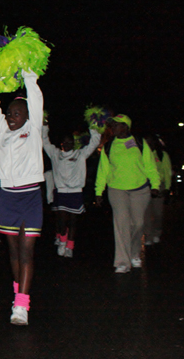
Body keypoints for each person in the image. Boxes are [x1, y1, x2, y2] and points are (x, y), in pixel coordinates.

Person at [0, 70, 44, 326]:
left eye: (17, 113)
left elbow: (35, 97)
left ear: (28, 116)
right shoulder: (2, 131)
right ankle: (18, 292)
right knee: (14, 251)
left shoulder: (33, 128)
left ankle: (21, 305)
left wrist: (28, 72)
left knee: (27, 251)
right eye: (9, 113)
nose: (11, 116)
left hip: (30, 196)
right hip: (8, 197)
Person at [94, 115, 160, 273]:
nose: (113, 128)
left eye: (116, 125)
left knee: (138, 224)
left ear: (125, 126)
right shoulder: (109, 146)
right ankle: (122, 261)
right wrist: (98, 191)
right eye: (112, 125)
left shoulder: (139, 143)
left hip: (140, 190)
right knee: (121, 224)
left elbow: (150, 166)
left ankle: (134, 253)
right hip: (117, 189)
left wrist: (155, 184)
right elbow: (103, 170)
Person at [42, 124, 101, 258]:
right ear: (61, 144)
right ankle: (63, 241)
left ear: (74, 143)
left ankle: (70, 246)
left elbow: (94, 142)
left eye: (70, 142)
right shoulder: (55, 154)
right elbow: (45, 142)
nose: (67, 144)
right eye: (65, 142)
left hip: (76, 192)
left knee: (73, 221)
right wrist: (45, 127)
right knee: (62, 220)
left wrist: (93, 127)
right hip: (61, 192)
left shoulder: (80, 154)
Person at [143, 134, 172, 246]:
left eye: (150, 142)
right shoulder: (141, 155)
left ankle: (157, 232)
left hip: (159, 186)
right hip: (145, 186)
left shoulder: (161, 155)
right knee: (146, 213)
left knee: (158, 212)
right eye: (146, 142)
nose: (148, 144)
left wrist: (167, 188)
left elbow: (167, 173)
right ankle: (148, 235)